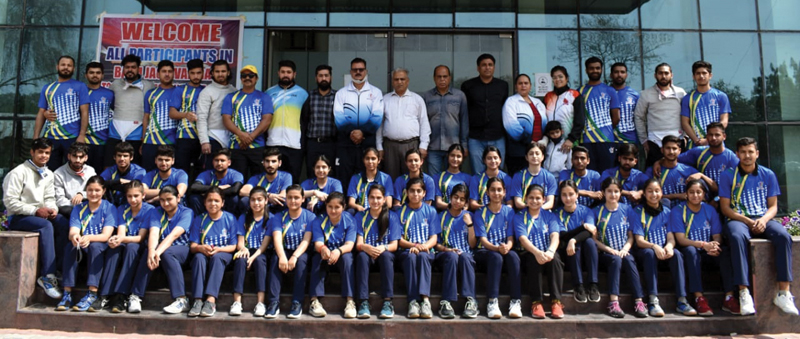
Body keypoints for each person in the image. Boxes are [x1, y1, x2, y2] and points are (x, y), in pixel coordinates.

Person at [720, 137, 798, 316]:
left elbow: (773, 206)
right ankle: (744, 292)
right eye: (743, 152)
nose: (747, 155)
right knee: (736, 237)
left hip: (763, 217)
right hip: (738, 219)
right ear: (737, 154)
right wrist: (748, 221)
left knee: (784, 236)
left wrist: (763, 220)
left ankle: (784, 293)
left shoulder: (768, 174)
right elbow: (725, 208)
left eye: (750, 152)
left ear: (757, 154)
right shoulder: (728, 175)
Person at [3, 138, 70, 299]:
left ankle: (59, 269)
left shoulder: (48, 174)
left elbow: (50, 198)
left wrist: (52, 209)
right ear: (32, 152)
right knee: (45, 226)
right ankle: (47, 276)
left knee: (63, 223)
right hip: (18, 217)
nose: (44, 156)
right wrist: (34, 210)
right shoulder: (18, 173)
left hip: (40, 214)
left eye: (47, 153)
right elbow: (10, 202)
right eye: (40, 152)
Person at [630, 178, 695, 317]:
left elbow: (671, 237)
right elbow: (639, 241)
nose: (654, 194)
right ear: (644, 193)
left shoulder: (667, 211)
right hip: (645, 252)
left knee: (677, 254)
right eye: (650, 191)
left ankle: (682, 300)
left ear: (661, 192)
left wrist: (669, 246)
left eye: (657, 191)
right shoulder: (638, 211)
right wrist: (655, 246)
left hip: (663, 251)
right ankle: (653, 300)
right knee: (649, 253)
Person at [670, 179, 734, 317]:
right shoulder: (678, 211)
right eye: (691, 192)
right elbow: (681, 239)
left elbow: (717, 236)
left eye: (699, 192)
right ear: (686, 194)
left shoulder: (709, 210)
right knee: (691, 251)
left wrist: (715, 245)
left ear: (704, 194)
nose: (695, 195)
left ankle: (729, 297)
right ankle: (699, 297)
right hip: (690, 249)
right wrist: (704, 245)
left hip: (707, 251)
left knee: (724, 252)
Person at [129, 185, 194, 314]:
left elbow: (174, 235)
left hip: (182, 249)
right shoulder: (156, 212)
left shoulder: (187, 212)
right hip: (162, 251)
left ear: (178, 198)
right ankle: (135, 296)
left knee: (166, 252)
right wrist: (152, 251)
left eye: (169, 199)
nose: (166, 203)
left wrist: (157, 252)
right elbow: (154, 233)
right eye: (162, 200)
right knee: (148, 251)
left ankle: (181, 299)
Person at [57, 175, 116, 312]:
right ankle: (67, 293)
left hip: (100, 245)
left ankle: (92, 293)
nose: (93, 193)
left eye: (97, 190)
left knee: (95, 246)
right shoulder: (79, 208)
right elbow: (73, 231)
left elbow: (106, 235)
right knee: (71, 246)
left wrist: (88, 237)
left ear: (104, 191)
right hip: (83, 245)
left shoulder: (109, 208)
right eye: (90, 190)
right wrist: (75, 236)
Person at [593, 177, 647, 318]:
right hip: (605, 252)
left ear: (621, 192)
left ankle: (639, 301)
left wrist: (624, 249)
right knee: (615, 260)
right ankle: (614, 303)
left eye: (616, 191)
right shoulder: (597, 211)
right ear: (603, 192)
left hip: (624, 250)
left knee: (629, 260)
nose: (613, 194)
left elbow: (631, 236)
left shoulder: (627, 210)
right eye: (609, 191)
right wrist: (609, 250)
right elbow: (594, 239)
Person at [473, 177, 522, 319]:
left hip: (503, 250)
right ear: (487, 192)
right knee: (496, 257)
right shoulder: (480, 212)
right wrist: (497, 249)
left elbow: (511, 237)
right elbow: (483, 240)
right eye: (493, 190)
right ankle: (492, 301)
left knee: (513, 256)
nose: (496, 193)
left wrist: (508, 247)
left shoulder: (509, 212)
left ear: (505, 192)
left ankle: (516, 301)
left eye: (499, 190)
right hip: (485, 251)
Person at [104, 180, 156, 314]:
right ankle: (104, 294)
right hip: (127, 243)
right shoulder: (122, 208)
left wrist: (121, 239)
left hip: (140, 246)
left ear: (143, 195)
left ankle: (121, 294)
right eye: (129, 196)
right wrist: (116, 239)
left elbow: (140, 238)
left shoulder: (150, 210)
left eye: (136, 196)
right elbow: (121, 232)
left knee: (132, 247)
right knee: (114, 248)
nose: (132, 200)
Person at [265, 185, 316, 319]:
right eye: (290, 198)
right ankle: (273, 302)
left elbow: (306, 240)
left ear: (303, 199)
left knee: (302, 261)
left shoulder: (310, 216)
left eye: (296, 198)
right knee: (275, 259)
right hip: (285, 249)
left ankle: (297, 302)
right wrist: (282, 256)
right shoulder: (278, 217)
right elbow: (277, 238)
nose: (293, 201)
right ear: (286, 199)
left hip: (301, 251)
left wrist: (294, 256)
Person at [188, 187, 239, 318]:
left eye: (216, 201)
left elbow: (233, 246)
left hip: (223, 254)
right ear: (204, 203)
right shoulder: (199, 219)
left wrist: (219, 249)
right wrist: (200, 248)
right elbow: (193, 246)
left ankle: (210, 300)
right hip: (204, 253)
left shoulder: (230, 218)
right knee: (198, 258)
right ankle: (197, 300)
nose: (213, 204)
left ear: (222, 203)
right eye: (209, 200)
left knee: (217, 258)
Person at [333, 58, 384, 185]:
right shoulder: (341, 93)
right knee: (344, 179)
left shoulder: (376, 92)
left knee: (367, 179)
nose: (358, 72)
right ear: (350, 72)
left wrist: (362, 133)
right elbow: (338, 117)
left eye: (361, 69)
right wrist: (352, 132)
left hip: (367, 143)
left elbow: (377, 117)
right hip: (346, 143)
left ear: (366, 71)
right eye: (355, 70)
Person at [34, 55, 90, 170]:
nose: (66, 67)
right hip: (51, 136)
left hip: (72, 137)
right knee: (50, 171)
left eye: (69, 65)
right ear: (57, 67)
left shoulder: (80, 86)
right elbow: (41, 112)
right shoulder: (47, 88)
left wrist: (82, 135)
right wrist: (36, 136)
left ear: (73, 69)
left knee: (74, 170)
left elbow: (85, 112)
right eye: (63, 65)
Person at [517, 184, 564, 319]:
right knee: (533, 260)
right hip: (528, 252)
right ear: (526, 199)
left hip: (547, 251)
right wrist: (537, 253)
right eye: (531, 198)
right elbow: (522, 238)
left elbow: (555, 235)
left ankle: (556, 302)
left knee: (556, 260)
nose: (534, 201)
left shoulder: (550, 216)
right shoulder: (519, 216)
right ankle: (536, 303)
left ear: (544, 199)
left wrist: (550, 251)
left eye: (538, 198)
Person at [354, 184, 401, 319]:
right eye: (372, 197)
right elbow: (358, 244)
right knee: (361, 256)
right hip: (367, 254)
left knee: (386, 256)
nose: (375, 201)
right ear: (367, 199)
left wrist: (383, 248)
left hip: (384, 253)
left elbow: (394, 245)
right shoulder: (360, 216)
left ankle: (387, 302)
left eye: (379, 198)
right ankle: (363, 302)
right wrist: (366, 247)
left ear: (384, 199)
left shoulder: (392, 216)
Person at [308, 192, 357, 318]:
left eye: (337, 207)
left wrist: (338, 251)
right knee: (316, 258)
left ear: (344, 207)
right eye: (330, 206)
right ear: (326, 206)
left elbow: (349, 245)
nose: (333, 210)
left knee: (348, 258)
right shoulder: (319, 220)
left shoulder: (350, 220)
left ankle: (350, 301)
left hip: (341, 253)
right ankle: (314, 301)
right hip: (325, 254)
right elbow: (318, 243)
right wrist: (323, 249)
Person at [397, 178, 440, 319]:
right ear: (406, 192)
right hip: (407, 250)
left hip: (426, 251)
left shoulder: (431, 211)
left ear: (424, 193)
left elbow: (434, 238)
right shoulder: (400, 212)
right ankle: (413, 301)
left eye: (419, 191)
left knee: (422, 256)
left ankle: (425, 300)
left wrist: (423, 247)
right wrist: (414, 246)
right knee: (411, 257)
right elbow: (399, 240)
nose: (415, 194)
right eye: (412, 191)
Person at [433, 184, 477, 319]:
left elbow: (473, 244)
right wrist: (447, 249)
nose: (458, 201)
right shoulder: (441, 216)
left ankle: (470, 301)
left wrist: (470, 225)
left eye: (462, 199)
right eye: (455, 197)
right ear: (450, 198)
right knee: (452, 256)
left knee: (466, 257)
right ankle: (446, 301)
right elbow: (435, 243)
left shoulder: (469, 216)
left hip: (465, 254)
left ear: (466, 202)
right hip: (445, 253)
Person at [222, 65, 274, 179]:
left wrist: (250, 137)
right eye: (244, 76)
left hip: (257, 146)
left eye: (251, 75)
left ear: (256, 78)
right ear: (241, 78)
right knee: (238, 180)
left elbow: (267, 120)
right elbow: (226, 119)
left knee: (259, 180)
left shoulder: (264, 97)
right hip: (236, 146)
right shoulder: (231, 97)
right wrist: (241, 135)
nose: (247, 78)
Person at [378, 68, 430, 179]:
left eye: (402, 79)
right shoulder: (385, 100)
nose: (399, 82)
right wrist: (379, 147)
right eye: (396, 79)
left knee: (412, 179)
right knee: (391, 178)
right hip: (390, 146)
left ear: (408, 81)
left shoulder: (417, 99)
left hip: (411, 144)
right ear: (392, 82)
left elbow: (424, 123)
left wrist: (423, 146)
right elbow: (379, 125)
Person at [554, 180, 600, 304]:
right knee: (576, 246)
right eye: (564, 195)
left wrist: (573, 240)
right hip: (568, 254)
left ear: (577, 195)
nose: (568, 198)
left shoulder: (586, 211)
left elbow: (590, 232)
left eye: (571, 194)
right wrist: (583, 227)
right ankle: (578, 286)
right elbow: (563, 235)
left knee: (590, 242)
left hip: (587, 254)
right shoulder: (557, 213)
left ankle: (593, 284)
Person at [462, 54, 509, 173]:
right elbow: (464, 112)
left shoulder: (502, 86)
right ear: (478, 68)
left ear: (494, 67)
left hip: (497, 135)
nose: (487, 67)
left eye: (490, 65)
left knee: (497, 171)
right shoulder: (468, 86)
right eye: (484, 65)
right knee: (478, 173)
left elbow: (506, 109)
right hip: (475, 137)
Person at [634, 63, 687, 168]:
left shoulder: (680, 93)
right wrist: (644, 140)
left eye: (666, 73)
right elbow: (639, 117)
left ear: (671, 75)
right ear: (655, 75)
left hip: (677, 140)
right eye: (660, 73)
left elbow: (687, 115)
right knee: (653, 174)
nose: (663, 76)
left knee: (680, 172)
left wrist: (686, 136)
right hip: (654, 141)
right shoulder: (646, 94)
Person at [107, 54, 155, 168]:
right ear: (123, 69)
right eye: (127, 67)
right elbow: (111, 104)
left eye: (133, 67)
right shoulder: (115, 84)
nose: (130, 70)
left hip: (137, 132)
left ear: (138, 68)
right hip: (116, 132)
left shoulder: (149, 85)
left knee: (135, 166)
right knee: (110, 165)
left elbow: (151, 108)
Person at [231, 187, 272, 317]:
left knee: (260, 261)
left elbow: (264, 245)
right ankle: (237, 302)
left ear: (266, 200)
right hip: (248, 249)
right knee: (240, 260)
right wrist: (243, 249)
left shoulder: (271, 218)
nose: (256, 203)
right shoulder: (243, 217)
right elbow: (240, 241)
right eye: (253, 200)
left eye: (259, 199)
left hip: (262, 252)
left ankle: (260, 302)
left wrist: (252, 257)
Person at [266, 60, 309, 183]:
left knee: (293, 180)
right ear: (278, 73)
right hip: (273, 143)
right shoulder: (269, 93)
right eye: (283, 72)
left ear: (294, 74)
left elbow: (306, 120)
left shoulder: (302, 94)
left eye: (289, 72)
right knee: (273, 179)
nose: (286, 75)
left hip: (294, 144)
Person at [422, 65, 469, 176]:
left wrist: (464, 145)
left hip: (454, 147)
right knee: (434, 179)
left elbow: (464, 121)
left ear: (450, 78)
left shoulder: (459, 96)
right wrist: (423, 145)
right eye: (439, 77)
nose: (442, 79)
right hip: (433, 146)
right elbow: (423, 122)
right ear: (434, 78)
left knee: (453, 178)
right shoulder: (427, 97)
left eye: (445, 76)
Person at [673, 122, 739, 197]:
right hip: (700, 197)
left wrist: (701, 175)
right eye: (711, 135)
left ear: (724, 136)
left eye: (717, 135)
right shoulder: (699, 152)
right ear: (707, 137)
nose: (713, 138)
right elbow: (674, 160)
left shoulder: (731, 158)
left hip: (723, 197)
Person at [579, 57, 620, 173]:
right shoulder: (580, 91)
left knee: (607, 174)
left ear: (601, 70)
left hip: (606, 140)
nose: (595, 71)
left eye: (597, 68)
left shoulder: (610, 90)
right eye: (591, 68)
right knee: (589, 174)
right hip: (586, 140)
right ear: (586, 70)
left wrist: (605, 129)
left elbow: (616, 118)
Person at [503, 74, 547, 175]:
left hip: (538, 150)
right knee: (519, 180)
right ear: (516, 86)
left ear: (530, 86)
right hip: (519, 151)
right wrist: (529, 141)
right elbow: (511, 126)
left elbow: (546, 123)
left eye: (526, 83)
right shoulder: (511, 102)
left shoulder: (538, 102)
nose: (523, 86)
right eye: (520, 83)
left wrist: (544, 140)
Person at [197, 60, 236, 171]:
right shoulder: (207, 92)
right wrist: (204, 141)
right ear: (212, 73)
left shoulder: (234, 91)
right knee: (212, 172)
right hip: (213, 137)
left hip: (232, 138)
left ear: (228, 72)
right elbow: (201, 118)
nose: (220, 74)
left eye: (223, 71)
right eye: (217, 71)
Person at [169, 59, 205, 179]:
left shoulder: (206, 90)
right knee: (182, 170)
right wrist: (185, 115)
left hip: (202, 137)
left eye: (198, 73)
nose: (196, 76)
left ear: (203, 73)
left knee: (199, 171)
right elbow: (172, 113)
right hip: (184, 136)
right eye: (193, 73)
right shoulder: (180, 89)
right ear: (188, 73)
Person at [682, 61, 731, 149]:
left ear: (710, 75)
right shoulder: (688, 98)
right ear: (693, 76)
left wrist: (709, 139)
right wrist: (697, 140)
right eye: (698, 73)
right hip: (696, 145)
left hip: (717, 144)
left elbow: (724, 121)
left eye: (704, 73)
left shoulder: (721, 96)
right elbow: (685, 123)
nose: (701, 76)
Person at [301, 65, 338, 178]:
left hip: (331, 143)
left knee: (331, 174)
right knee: (312, 173)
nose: (323, 78)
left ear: (331, 77)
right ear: (316, 78)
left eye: (326, 75)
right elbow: (304, 120)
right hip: (313, 143)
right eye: (320, 76)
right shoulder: (309, 96)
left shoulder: (337, 96)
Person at [141, 60, 178, 173]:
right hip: (150, 141)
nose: (167, 74)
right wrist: (143, 140)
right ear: (158, 73)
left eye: (169, 71)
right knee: (148, 174)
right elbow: (146, 116)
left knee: (168, 175)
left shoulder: (179, 92)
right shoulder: (150, 93)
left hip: (171, 141)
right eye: (164, 71)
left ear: (174, 73)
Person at [644, 135, 698, 208]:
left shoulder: (689, 170)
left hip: (685, 212)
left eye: (674, 148)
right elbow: (646, 196)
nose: (671, 152)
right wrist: (676, 196)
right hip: (660, 212)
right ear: (662, 150)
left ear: (679, 151)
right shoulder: (652, 171)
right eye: (668, 148)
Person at [543, 66, 585, 158]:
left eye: (560, 76)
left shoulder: (574, 95)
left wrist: (571, 139)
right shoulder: (548, 96)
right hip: (551, 142)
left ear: (567, 78)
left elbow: (580, 120)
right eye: (554, 77)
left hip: (569, 142)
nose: (557, 79)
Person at [188, 148, 244, 216]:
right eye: (216, 160)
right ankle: (200, 218)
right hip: (209, 201)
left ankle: (230, 218)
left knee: (234, 198)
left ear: (229, 162)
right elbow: (194, 187)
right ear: (212, 162)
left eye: (222, 161)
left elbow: (235, 190)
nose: (219, 163)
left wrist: (207, 192)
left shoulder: (236, 175)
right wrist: (218, 188)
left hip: (225, 202)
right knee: (194, 198)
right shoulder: (206, 174)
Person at [239, 147, 293, 214]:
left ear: (279, 163)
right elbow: (242, 191)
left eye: (273, 161)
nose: (270, 165)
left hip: (275, 207)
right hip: (259, 207)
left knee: (284, 201)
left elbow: (283, 196)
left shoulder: (286, 176)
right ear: (263, 163)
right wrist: (268, 196)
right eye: (267, 161)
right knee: (245, 200)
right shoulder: (256, 178)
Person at [83, 61, 115, 171]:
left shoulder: (109, 94)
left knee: (99, 173)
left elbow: (117, 112)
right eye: (91, 72)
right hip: (84, 140)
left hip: (102, 141)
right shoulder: (80, 92)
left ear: (102, 75)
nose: (95, 75)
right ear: (86, 75)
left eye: (98, 73)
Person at [346, 148, 394, 214]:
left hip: (379, 211)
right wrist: (358, 207)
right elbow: (351, 202)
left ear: (379, 160)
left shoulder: (386, 178)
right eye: (367, 158)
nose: (370, 161)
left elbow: (389, 203)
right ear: (363, 160)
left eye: (373, 159)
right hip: (362, 212)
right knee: (350, 212)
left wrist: (374, 208)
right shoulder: (356, 178)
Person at [54, 142, 96, 217]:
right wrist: (77, 204)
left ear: (86, 158)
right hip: (69, 209)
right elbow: (59, 200)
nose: (77, 160)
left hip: (88, 206)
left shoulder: (90, 171)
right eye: (74, 156)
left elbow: (96, 191)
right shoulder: (58, 173)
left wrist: (82, 194)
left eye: (81, 157)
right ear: (69, 156)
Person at [510, 143, 557, 210]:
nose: (534, 156)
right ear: (526, 157)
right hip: (524, 212)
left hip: (543, 212)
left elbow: (550, 203)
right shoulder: (518, 176)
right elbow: (518, 202)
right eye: (531, 154)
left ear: (542, 157)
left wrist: (536, 209)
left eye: (537, 154)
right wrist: (531, 209)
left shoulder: (550, 177)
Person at [100, 141, 146, 206]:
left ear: (131, 157)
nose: (122, 159)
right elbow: (100, 183)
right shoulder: (110, 170)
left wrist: (112, 184)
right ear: (114, 157)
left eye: (125, 156)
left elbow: (136, 186)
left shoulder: (139, 171)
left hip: (132, 205)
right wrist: (119, 181)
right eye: (119, 155)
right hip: (112, 205)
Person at [468, 146, 512, 211]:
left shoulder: (507, 178)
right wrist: (489, 209)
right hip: (482, 213)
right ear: (484, 160)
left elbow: (510, 203)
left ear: (500, 160)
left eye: (495, 158)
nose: (493, 161)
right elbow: (473, 204)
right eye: (489, 158)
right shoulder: (476, 178)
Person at [433, 144, 472, 211]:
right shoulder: (438, 177)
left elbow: (467, 204)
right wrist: (454, 207)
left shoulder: (469, 178)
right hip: (444, 214)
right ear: (448, 156)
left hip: (461, 214)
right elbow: (438, 203)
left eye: (458, 156)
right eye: (452, 155)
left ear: (463, 158)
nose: (455, 159)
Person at [610, 62, 640, 145]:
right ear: (611, 75)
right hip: (610, 138)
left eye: (622, 72)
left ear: (626, 75)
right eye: (616, 72)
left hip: (629, 138)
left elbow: (639, 118)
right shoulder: (605, 93)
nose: (619, 75)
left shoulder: (634, 94)